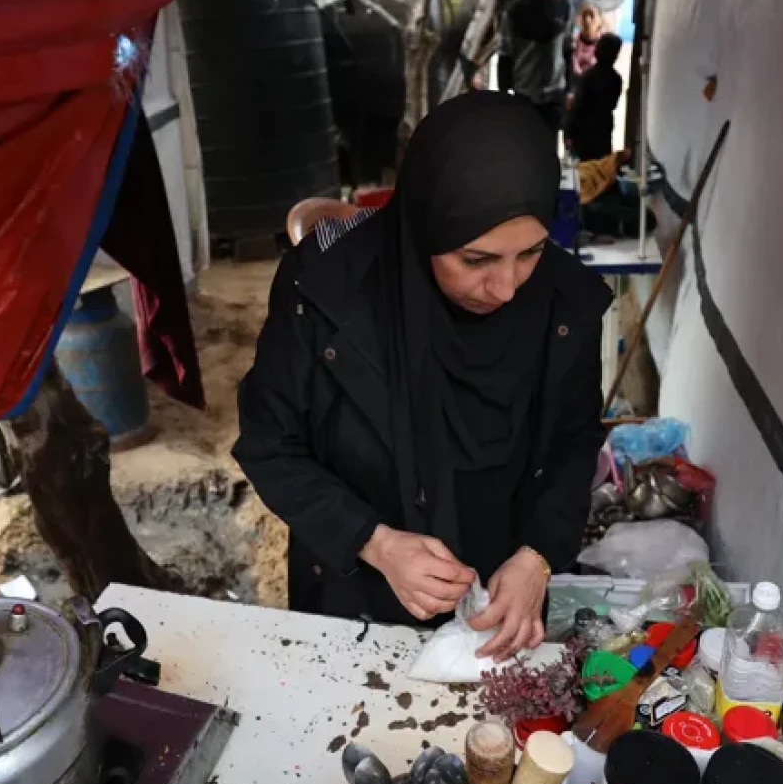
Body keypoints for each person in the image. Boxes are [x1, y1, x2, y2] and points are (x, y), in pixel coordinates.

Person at [233, 92, 612, 660]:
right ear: (425, 223)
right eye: (477, 260)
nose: (507, 288)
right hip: (357, 596)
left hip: (499, 606)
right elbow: (269, 446)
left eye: (530, 252)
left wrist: (539, 556)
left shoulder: (563, 302)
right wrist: (375, 542)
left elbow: (575, 441)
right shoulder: (325, 291)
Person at [498, 0, 572, 135]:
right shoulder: (517, 10)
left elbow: (568, 49)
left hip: (555, 94)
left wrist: (570, 88)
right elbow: (506, 52)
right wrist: (504, 93)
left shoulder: (564, 6)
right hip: (525, 96)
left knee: (549, 151)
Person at [565, 33, 623, 163]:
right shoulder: (616, 79)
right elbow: (613, 105)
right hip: (603, 130)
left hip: (584, 133)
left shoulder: (588, 76)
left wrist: (568, 132)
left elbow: (577, 106)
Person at [570, 0, 605, 81]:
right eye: (584, 16)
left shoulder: (603, 43)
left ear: (600, 20)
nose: (587, 20)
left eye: (591, 16)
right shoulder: (574, 41)